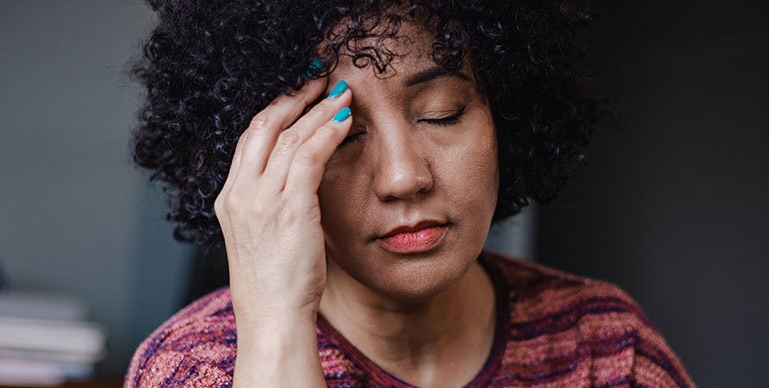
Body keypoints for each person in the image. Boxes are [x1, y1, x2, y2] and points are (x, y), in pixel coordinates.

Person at [124, 0, 695, 386]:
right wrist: (275, 328)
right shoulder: (194, 367)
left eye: (442, 114)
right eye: (342, 134)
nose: (403, 177)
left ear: (507, 118)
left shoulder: (605, 347)